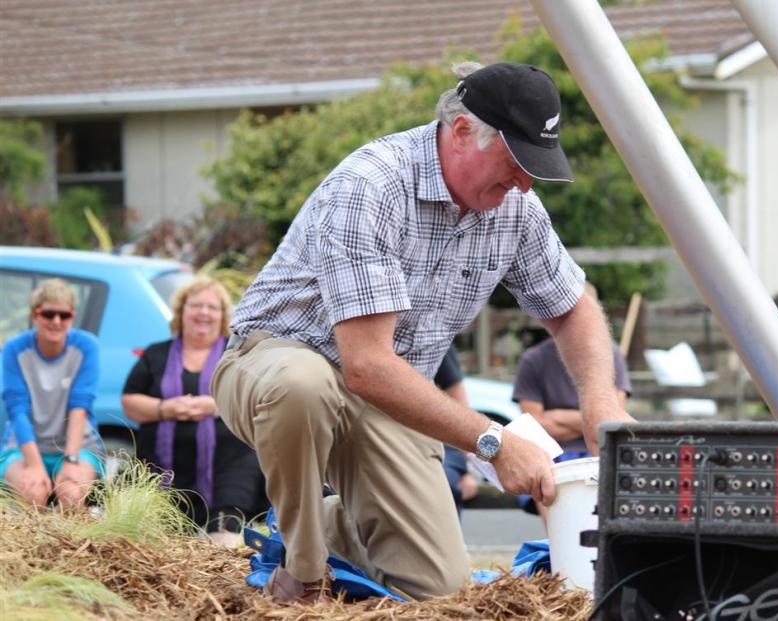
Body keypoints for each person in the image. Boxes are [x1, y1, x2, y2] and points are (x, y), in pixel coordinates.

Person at [211, 60, 631, 603]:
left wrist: (601, 403)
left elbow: (574, 307)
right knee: (304, 385)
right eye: (516, 163)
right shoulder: (371, 185)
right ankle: (303, 568)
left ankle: (341, 524)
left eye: (536, 167)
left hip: (390, 394)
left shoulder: (516, 208)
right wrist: (493, 442)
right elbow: (363, 364)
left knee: (438, 592)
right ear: (462, 132)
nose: (525, 183)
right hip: (274, 360)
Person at [121, 277, 264, 546]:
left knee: (224, 543)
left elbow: (258, 400)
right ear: (181, 311)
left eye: (212, 307)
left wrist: (216, 406)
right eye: (196, 305)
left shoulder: (236, 355)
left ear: (223, 316)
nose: (204, 313)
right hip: (162, 471)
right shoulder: (156, 354)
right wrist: (166, 408)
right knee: (156, 548)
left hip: (229, 469)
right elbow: (129, 403)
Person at [513, 283, 631, 523]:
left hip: (597, 452)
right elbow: (537, 427)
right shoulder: (533, 360)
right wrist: (587, 417)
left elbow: (612, 420)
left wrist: (559, 417)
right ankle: (558, 549)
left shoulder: (612, 355)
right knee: (547, 475)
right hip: (555, 453)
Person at [1, 278, 103, 508]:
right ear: (34, 315)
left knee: (71, 493)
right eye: (48, 314)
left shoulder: (86, 346)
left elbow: (80, 406)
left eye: (64, 315)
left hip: (77, 445)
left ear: (72, 316)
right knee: (34, 492)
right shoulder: (14, 349)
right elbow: (17, 410)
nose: (56, 321)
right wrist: (34, 464)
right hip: (23, 445)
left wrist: (71, 458)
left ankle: (73, 544)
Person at [434, 346, 479, 516]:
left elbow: (460, 404)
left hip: (443, 448)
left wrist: (469, 469)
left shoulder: (433, 336)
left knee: (441, 481)